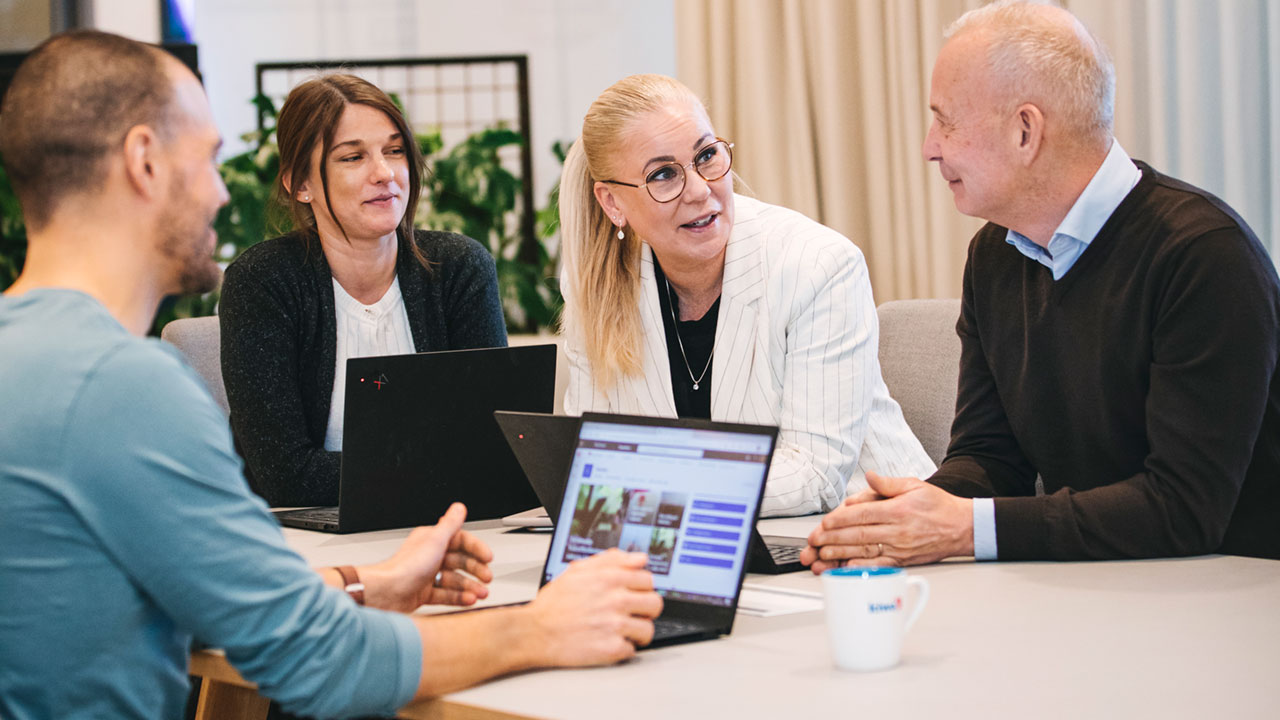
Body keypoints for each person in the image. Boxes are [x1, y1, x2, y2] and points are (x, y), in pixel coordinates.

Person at [0, 31, 661, 720]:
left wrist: (364, 581)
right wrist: (543, 625)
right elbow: (315, 659)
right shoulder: (127, 390)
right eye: (208, 160)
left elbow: (198, 597)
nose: (223, 193)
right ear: (144, 162)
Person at [802, 0, 1280, 569]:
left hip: (1227, 594)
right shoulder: (993, 254)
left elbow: (1184, 508)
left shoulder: (1205, 254)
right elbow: (989, 459)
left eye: (945, 120)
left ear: (1026, 130)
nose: (930, 146)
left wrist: (963, 528)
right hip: (1087, 582)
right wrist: (902, 514)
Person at [558, 74, 936, 517]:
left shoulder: (818, 265)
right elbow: (589, 458)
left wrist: (653, 494)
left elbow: (814, 476)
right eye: (663, 175)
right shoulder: (595, 283)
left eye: (706, 156)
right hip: (697, 544)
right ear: (612, 203)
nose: (700, 190)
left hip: (867, 537)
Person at [219, 74, 507, 507]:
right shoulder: (262, 281)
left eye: (394, 151)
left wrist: (425, 474)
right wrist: (438, 470)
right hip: (304, 536)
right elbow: (284, 475)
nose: (385, 173)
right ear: (299, 183)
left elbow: (495, 444)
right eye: (352, 157)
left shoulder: (458, 268)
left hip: (443, 523)